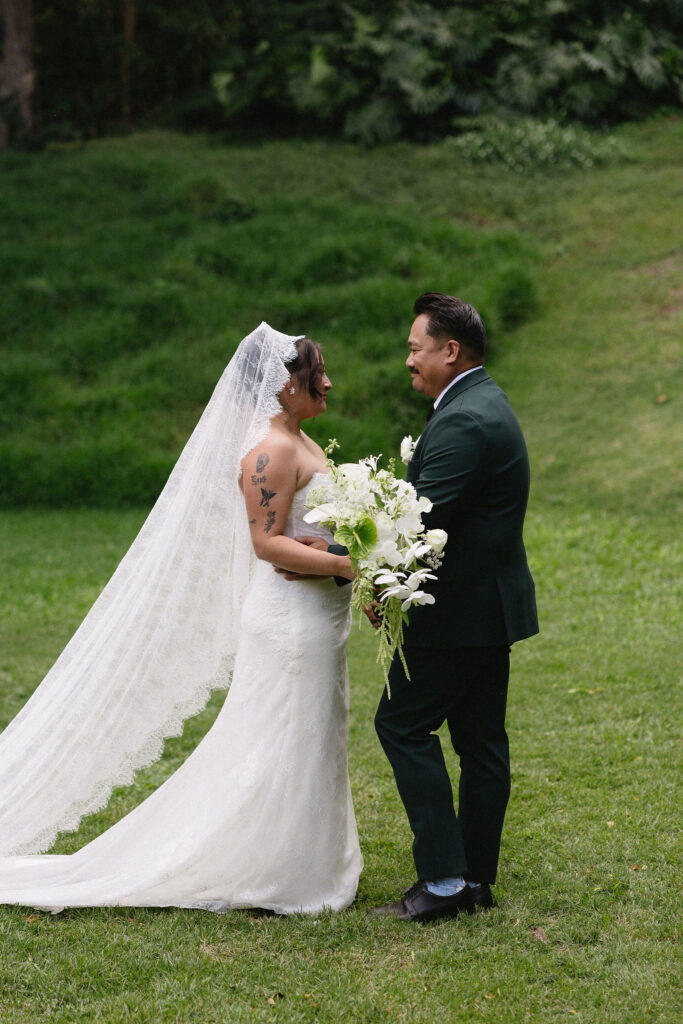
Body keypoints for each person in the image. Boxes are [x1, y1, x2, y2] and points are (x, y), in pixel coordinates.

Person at [0, 323, 362, 915]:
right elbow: (267, 545)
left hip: (318, 618)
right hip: (289, 623)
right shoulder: (270, 451)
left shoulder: (301, 440)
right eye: (313, 373)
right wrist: (349, 564)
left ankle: (302, 859)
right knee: (283, 737)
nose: (326, 381)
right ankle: (275, 871)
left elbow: (309, 530)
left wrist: (351, 556)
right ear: (280, 385)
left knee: (314, 734)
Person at [370, 292, 539, 922]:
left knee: (403, 725)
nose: (408, 360)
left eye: (416, 349)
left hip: (459, 613)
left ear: (450, 350)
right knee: (480, 743)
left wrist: (350, 564)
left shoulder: (466, 421)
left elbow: (418, 525)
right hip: (486, 609)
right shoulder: (479, 405)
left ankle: (445, 882)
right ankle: (474, 882)